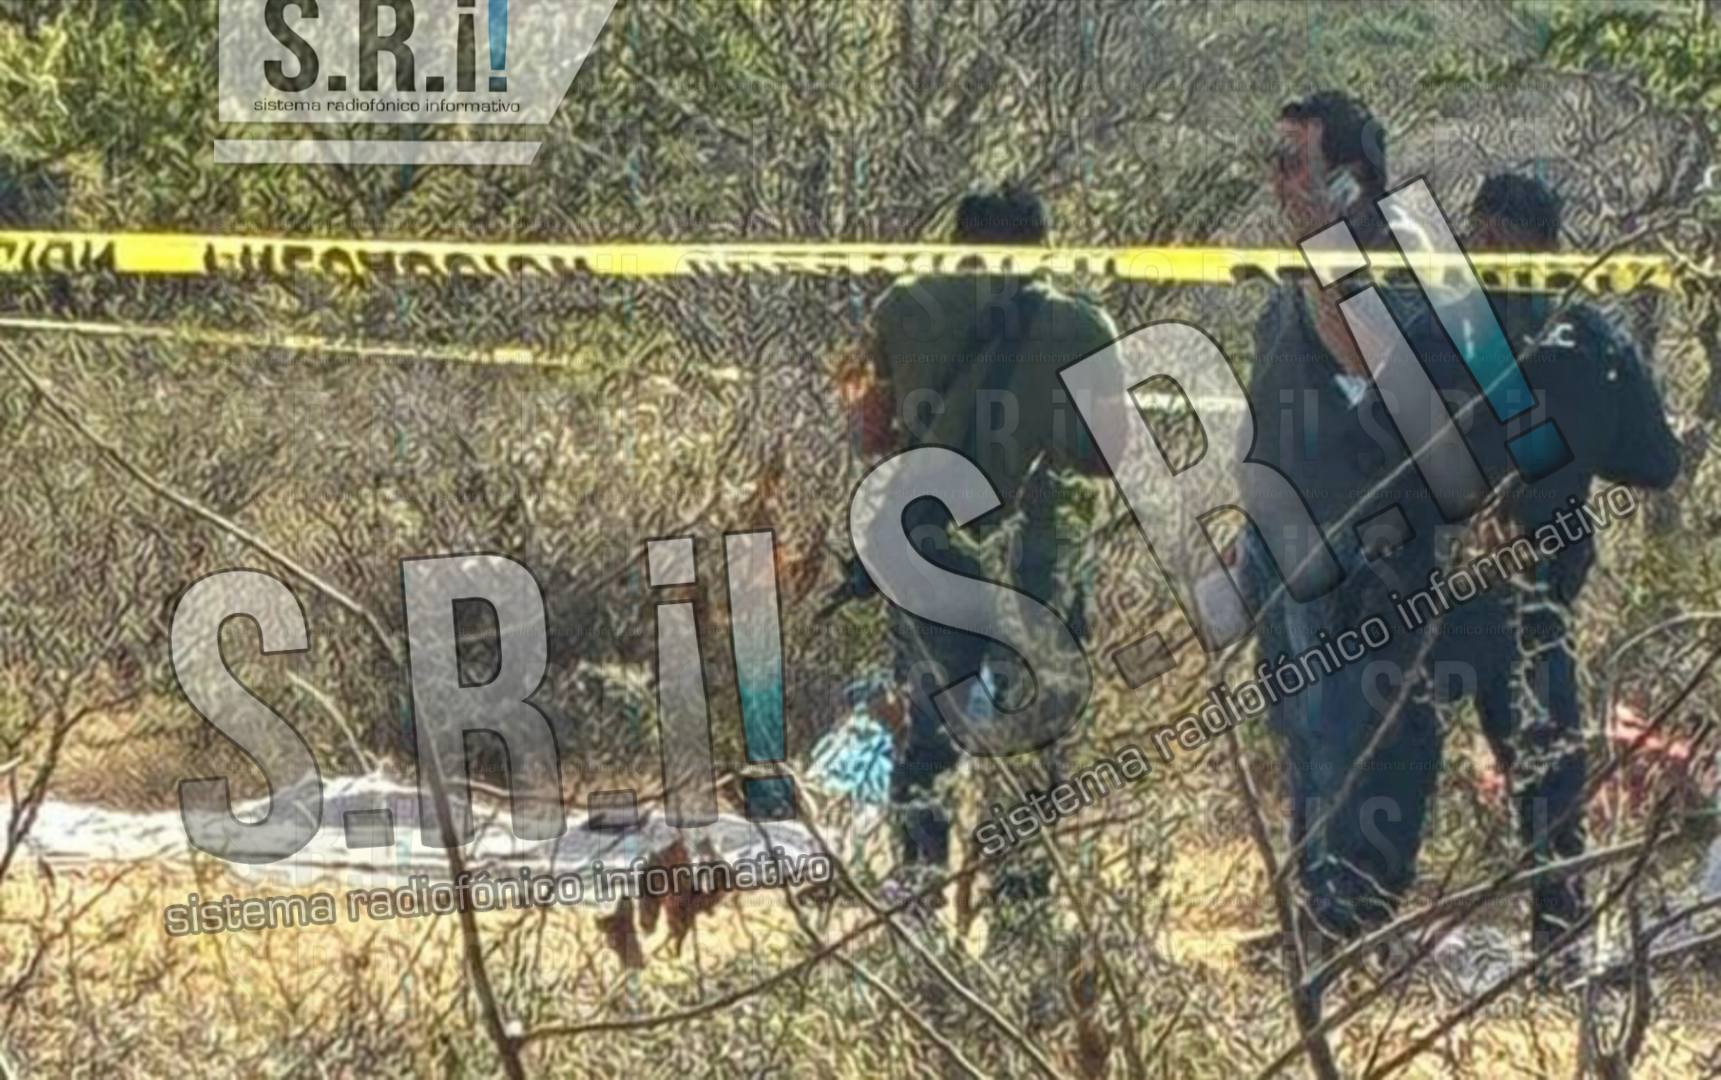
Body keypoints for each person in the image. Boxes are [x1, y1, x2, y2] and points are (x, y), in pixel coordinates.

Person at [840, 184, 1119, 913]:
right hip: (1038, 562)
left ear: (958, 241)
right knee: (1030, 737)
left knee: (926, 733)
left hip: (929, 545)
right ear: (1042, 247)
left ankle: (917, 898)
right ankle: (1019, 909)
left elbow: (869, 432)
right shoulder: (1081, 326)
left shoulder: (901, 308)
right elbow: (1106, 455)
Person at [1235, 92, 1464, 951]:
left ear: (1348, 175)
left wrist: (1324, 247)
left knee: (1349, 728)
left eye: (1293, 159)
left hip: (1367, 540)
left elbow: (1366, 362)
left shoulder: (1403, 255)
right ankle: (1313, 911)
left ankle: (1349, 917)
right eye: (1274, 158)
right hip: (1283, 534)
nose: (1277, 178)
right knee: (1299, 731)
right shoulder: (1304, 262)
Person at [1433, 172, 1681, 957]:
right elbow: (1653, 462)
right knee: (1545, 772)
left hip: (1434, 590)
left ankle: (1343, 932)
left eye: (1485, 237)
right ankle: (1558, 938)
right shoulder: (1592, 336)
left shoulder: (1444, 320)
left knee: (1382, 756)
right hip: (1529, 590)